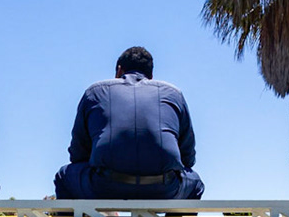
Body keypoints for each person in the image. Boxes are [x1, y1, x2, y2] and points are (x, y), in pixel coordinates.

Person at [55, 47, 204, 202]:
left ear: (119, 71)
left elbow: (78, 154)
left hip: (104, 186)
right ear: (151, 76)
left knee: (63, 176)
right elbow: (187, 158)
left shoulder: (94, 92)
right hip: (163, 188)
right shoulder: (174, 94)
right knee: (195, 183)